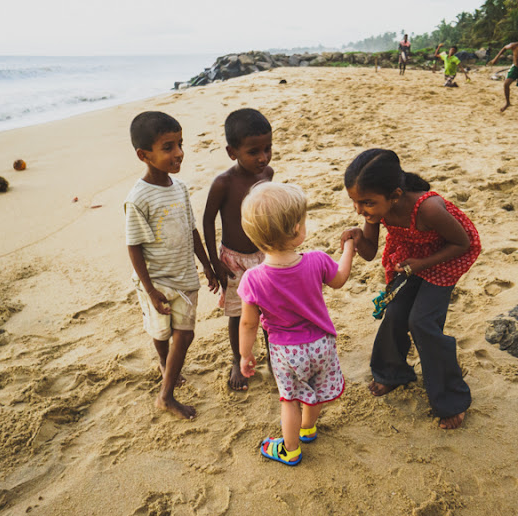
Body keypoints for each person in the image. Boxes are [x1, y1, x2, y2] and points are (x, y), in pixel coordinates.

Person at [341, 149, 480, 430]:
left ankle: (452, 399)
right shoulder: (376, 210)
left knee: (422, 322)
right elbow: (369, 252)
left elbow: (462, 243)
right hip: (409, 261)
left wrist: (422, 263)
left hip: (444, 259)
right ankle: (392, 373)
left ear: (395, 195)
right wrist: (357, 238)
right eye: (355, 202)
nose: (360, 209)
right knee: (395, 313)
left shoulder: (428, 208)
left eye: (366, 203)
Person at [238, 182, 355, 465]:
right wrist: (349, 248)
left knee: (289, 399)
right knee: (313, 391)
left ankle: (289, 449)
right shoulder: (316, 260)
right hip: (321, 344)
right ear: (296, 231)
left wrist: (245, 354)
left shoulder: (253, 279)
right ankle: (308, 429)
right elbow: (339, 279)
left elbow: (248, 324)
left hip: (286, 351)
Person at [125, 111, 219, 420]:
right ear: (144, 155)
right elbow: (134, 246)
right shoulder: (139, 198)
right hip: (158, 280)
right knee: (161, 331)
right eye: (168, 147)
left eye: (180, 144)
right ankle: (167, 367)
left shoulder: (179, 188)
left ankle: (165, 396)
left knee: (186, 334)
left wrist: (206, 266)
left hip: (185, 277)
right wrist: (150, 290)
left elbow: (191, 229)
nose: (179, 153)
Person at [203, 109, 274, 392]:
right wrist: (213, 262)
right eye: (253, 151)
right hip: (234, 260)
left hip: (264, 256)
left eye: (268, 148)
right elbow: (208, 221)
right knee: (237, 314)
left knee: (270, 312)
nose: (263, 157)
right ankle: (238, 359)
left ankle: (274, 358)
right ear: (232, 152)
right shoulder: (224, 183)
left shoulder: (268, 174)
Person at [489, 29, 518, 114]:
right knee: (506, 84)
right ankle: (507, 102)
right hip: (515, 67)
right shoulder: (513, 45)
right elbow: (504, 48)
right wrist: (495, 58)